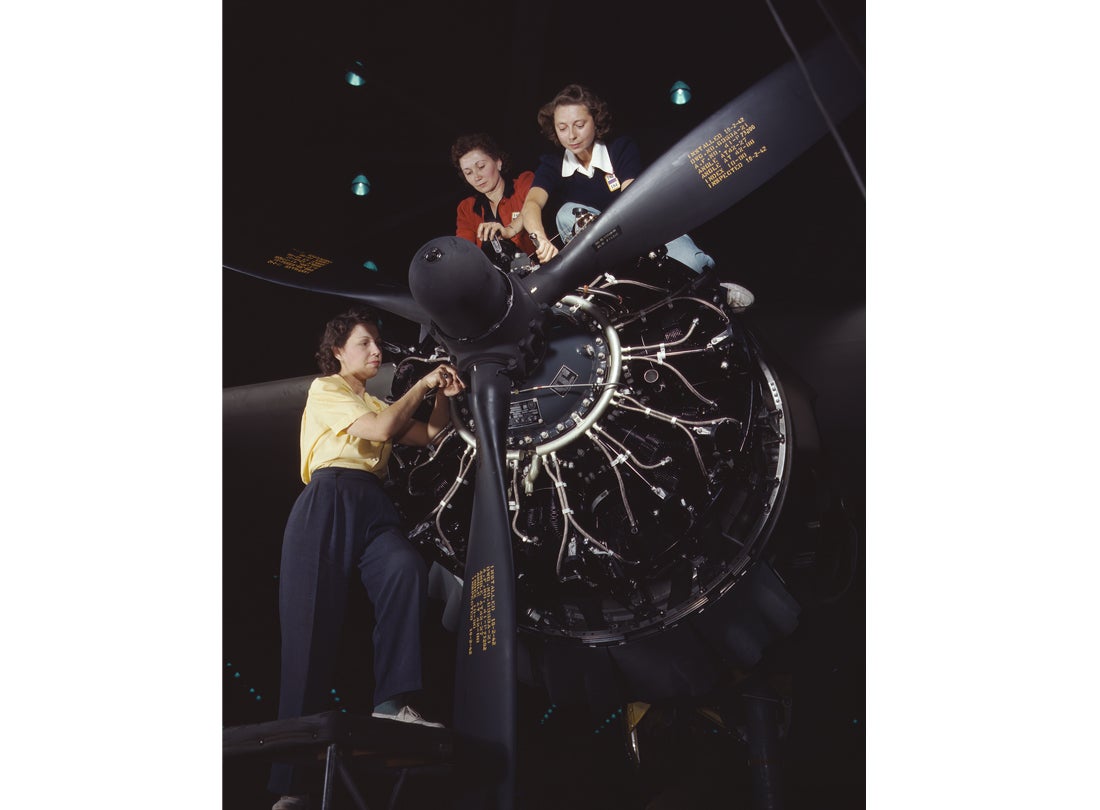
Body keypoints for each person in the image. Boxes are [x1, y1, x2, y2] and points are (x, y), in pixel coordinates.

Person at [268, 306, 465, 809]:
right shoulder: (327, 390)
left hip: (373, 502)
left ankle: (393, 703)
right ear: (338, 351)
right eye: (365, 344)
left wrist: (441, 398)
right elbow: (379, 432)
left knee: (402, 569)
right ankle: (291, 788)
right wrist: (422, 385)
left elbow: (432, 435)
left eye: (378, 345)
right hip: (328, 499)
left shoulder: (377, 400)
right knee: (309, 633)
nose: (376, 353)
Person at [519, 84, 755, 309]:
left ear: (595, 120)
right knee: (566, 213)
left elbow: (632, 198)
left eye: (579, 124)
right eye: (562, 128)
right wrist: (540, 239)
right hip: (598, 251)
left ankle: (715, 290)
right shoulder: (552, 164)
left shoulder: (620, 148)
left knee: (695, 265)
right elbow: (532, 204)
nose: (571, 135)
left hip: (637, 228)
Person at [451, 132, 537, 264]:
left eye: (481, 167)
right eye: (468, 173)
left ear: (498, 162)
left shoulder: (524, 183)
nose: (476, 177)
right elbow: (464, 251)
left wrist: (509, 230)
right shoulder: (467, 208)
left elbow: (532, 209)